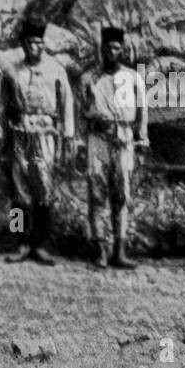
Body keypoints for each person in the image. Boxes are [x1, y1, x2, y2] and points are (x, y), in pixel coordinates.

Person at [0, 18, 75, 265]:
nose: (34, 47)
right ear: (23, 44)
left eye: (38, 43)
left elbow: (67, 103)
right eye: (29, 43)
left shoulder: (56, 69)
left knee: (44, 190)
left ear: (43, 44)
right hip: (19, 134)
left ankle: (41, 244)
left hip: (45, 135)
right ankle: (21, 243)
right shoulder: (10, 69)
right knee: (18, 192)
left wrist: (68, 135)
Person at [79, 25, 148, 269]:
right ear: (101, 49)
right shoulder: (89, 78)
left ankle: (119, 251)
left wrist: (141, 139)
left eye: (117, 48)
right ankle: (100, 250)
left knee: (122, 195)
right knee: (96, 194)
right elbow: (81, 115)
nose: (112, 52)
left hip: (124, 138)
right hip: (98, 139)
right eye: (108, 48)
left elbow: (142, 110)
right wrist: (78, 143)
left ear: (123, 50)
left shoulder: (132, 77)